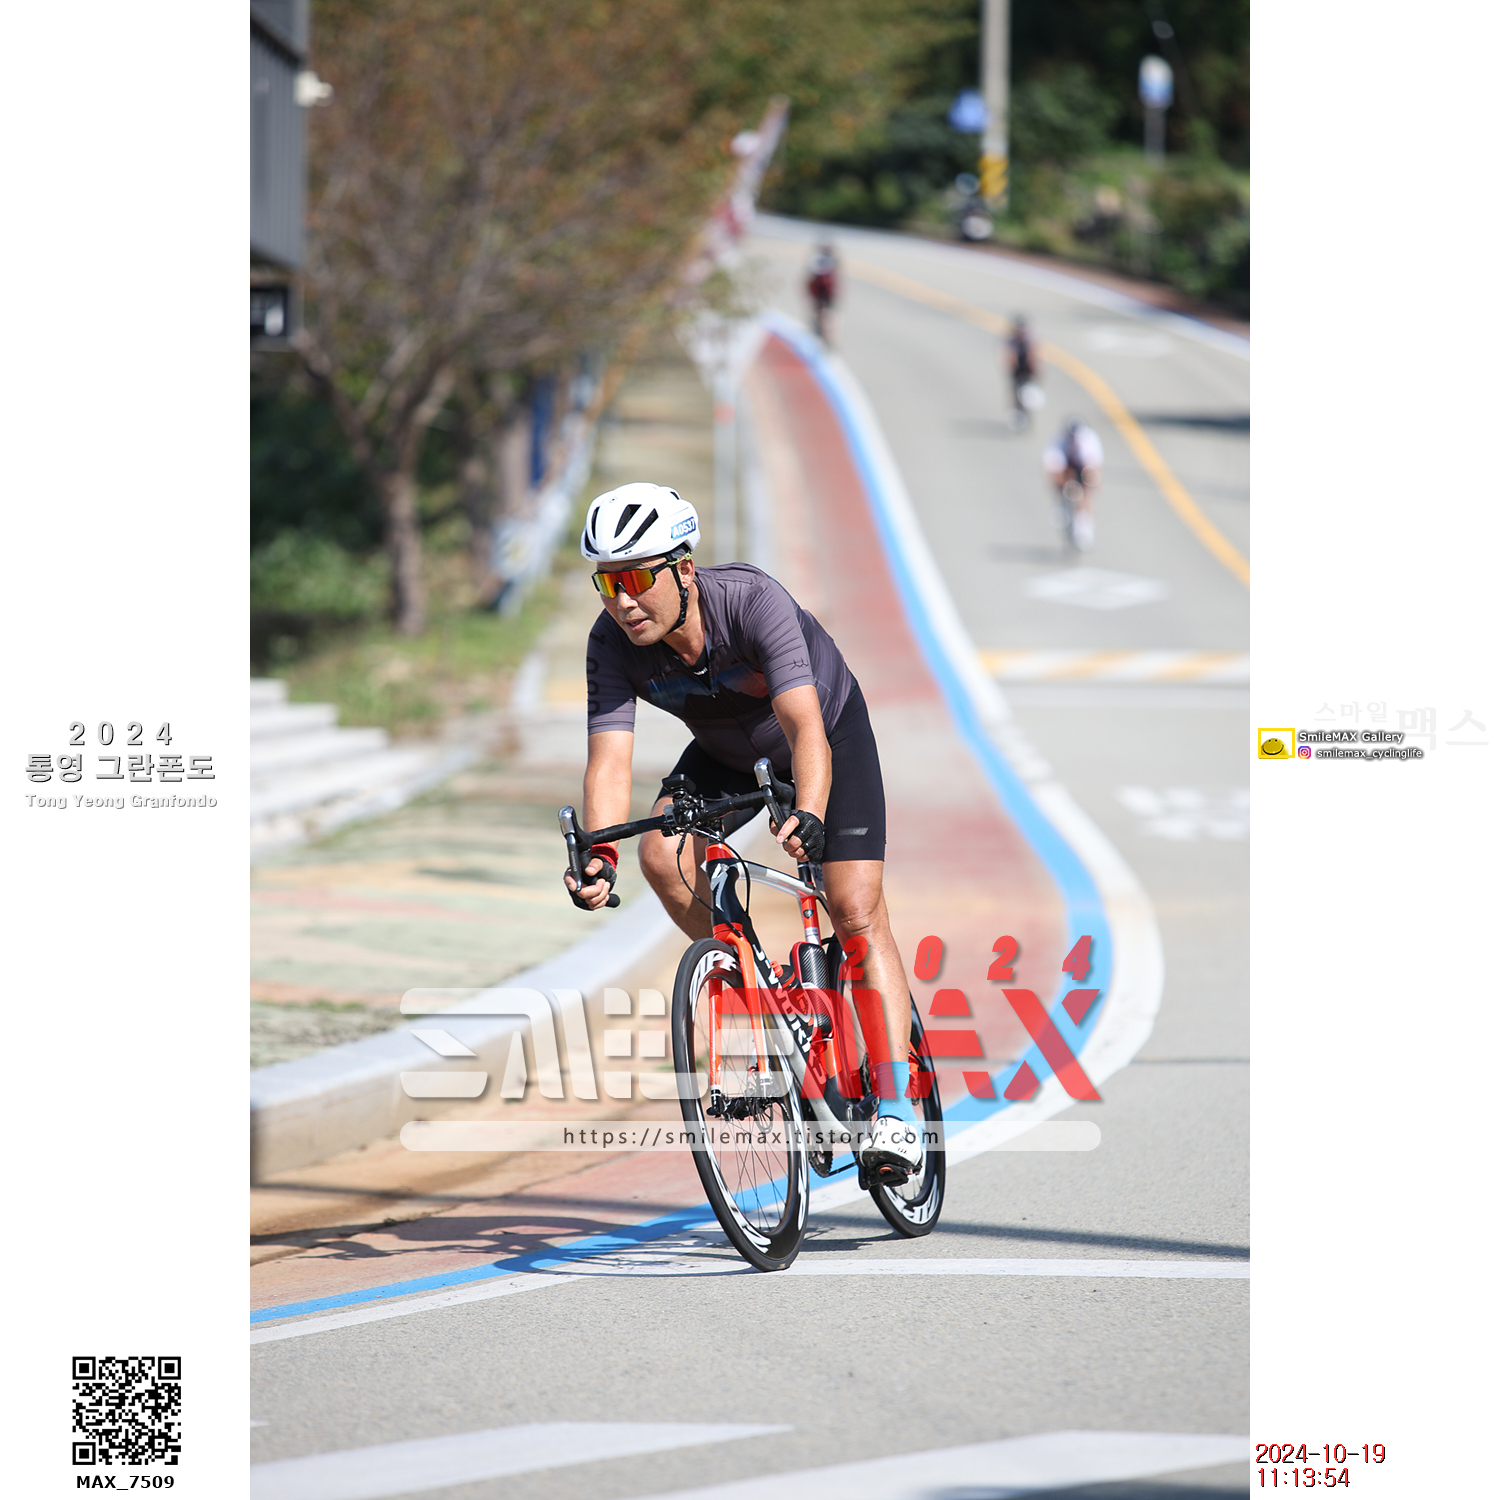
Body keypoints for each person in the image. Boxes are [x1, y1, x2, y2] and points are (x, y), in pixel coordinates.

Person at [565, 482, 923, 1179]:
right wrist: (599, 852)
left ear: (683, 569)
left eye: (635, 579)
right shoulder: (609, 643)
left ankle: (897, 1111)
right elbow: (609, 762)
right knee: (661, 857)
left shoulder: (752, 601)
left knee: (853, 907)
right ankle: (762, 996)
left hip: (826, 739)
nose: (622, 602)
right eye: (606, 583)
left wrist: (809, 813)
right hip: (727, 756)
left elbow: (805, 728)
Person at [1042, 418, 1104, 550]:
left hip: (1083, 465)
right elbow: (1052, 468)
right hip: (1065, 463)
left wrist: (1094, 484)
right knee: (1059, 479)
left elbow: (1094, 469)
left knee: (1087, 489)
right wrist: (1060, 485)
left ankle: (1085, 525)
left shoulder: (1090, 441)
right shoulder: (1058, 441)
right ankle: (1061, 505)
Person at [1004, 315, 1043, 427]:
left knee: (1029, 393)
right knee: (1015, 392)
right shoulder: (1012, 340)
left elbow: (1037, 355)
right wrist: (1011, 366)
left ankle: (1028, 415)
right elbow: (1007, 356)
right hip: (1017, 370)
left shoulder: (1031, 339)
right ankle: (1016, 413)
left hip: (1029, 370)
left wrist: (1037, 370)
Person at [806, 244, 838, 342]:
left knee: (825, 314)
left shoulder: (828, 261)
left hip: (825, 292)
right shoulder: (820, 260)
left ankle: (825, 334)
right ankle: (821, 333)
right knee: (822, 313)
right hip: (820, 291)